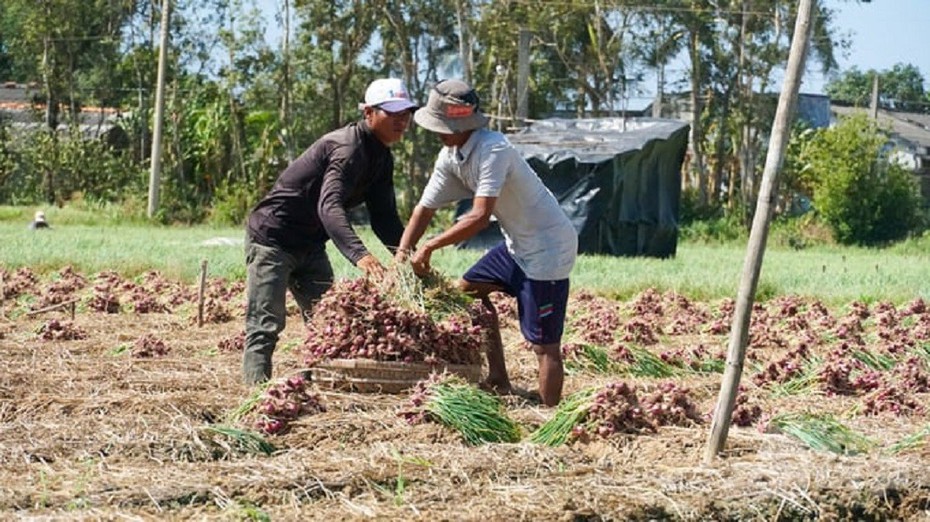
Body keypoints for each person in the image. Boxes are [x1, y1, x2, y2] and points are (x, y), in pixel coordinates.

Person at [395, 79, 577, 406]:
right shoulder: (450, 156)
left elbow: (480, 216)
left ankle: (549, 415)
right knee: (469, 292)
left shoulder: (494, 149)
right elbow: (423, 210)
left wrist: (430, 247)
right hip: (515, 246)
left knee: (544, 345)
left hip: (548, 250)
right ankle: (498, 378)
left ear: (461, 124)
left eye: (442, 125)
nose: (437, 132)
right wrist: (402, 256)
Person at [242, 77, 418, 384]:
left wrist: (406, 256)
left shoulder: (382, 157)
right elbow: (329, 206)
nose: (401, 120)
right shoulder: (347, 148)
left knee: (328, 325)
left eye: (406, 112)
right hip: (274, 239)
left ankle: (311, 387)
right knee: (266, 323)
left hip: (311, 244)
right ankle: (255, 397)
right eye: (392, 112)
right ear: (369, 114)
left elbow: (385, 217)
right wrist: (360, 256)